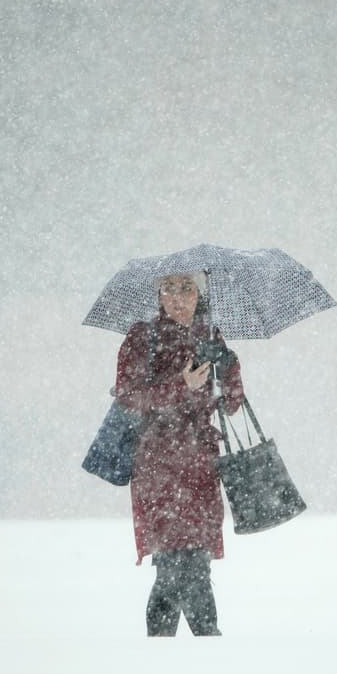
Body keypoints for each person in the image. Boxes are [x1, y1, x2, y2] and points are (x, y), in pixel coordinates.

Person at [114, 272, 245, 637]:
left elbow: (231, 404)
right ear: (158, 293)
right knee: (173, 563)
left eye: (186, 287)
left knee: (196, 559)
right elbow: (128, 396)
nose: (177, 296)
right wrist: (179, 386)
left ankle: (173, 652)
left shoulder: (210, 334)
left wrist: (229, 367)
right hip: (157, 465)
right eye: (168, 287)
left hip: (201, 465)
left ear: (199, 293)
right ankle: (205, 644)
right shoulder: (141, 337)